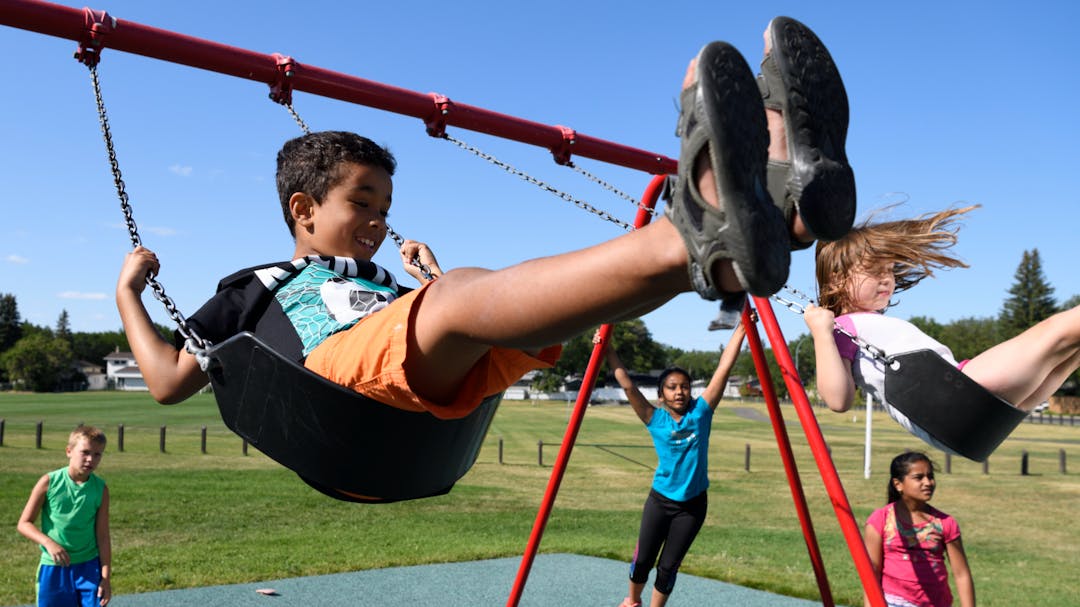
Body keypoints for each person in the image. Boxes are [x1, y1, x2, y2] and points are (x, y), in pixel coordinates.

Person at [116, 18, 852, 424]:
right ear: (302, 210)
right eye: (360, 206)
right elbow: (169, 382)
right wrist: (130, 295)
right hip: (337, 400)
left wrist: (424, 285)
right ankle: (708, 222)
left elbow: (435, 327)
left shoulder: (382, 278)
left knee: (536, 314)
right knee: (469, 297)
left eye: (383, 208)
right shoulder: (257, 285)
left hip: (415, 386)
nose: (376, 223)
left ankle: (739, 233)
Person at [803, 205, 1080, 451]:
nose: (886, 278)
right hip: (956, 398)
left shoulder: (865, 325)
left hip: (971, 422)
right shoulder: (839, 328)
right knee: (1059, 331)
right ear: (838, 278)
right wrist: (821, 333)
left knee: (1069, 350)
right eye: (874, 270)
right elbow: (838, 400)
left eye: (889, 270)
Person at [599, 320, 748, 607]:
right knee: (643, 559)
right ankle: (632, 601)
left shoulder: (701, 413)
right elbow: (627, 384)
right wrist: (608, 349)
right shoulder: (655, 419)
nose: (679, 392)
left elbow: (722, 370)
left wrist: (741, 330)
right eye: (672, 388)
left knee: (668, 566)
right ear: (661, 395)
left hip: (692, 506)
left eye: (684, 387)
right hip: (660, 500)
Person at [863, 451, 974, 607]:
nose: (928, 482)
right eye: (918, 477)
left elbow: (961, 574)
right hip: (893, 602)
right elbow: (871, 571)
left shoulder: (945, 523)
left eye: (930, 476)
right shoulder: (880, 520)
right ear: (898, 484)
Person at [17, 425, 112, 607]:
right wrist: (49, 543)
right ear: (69, 451)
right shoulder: (49, 482)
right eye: (85, 452)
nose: (90, 459)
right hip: (54, 567)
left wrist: (106, 577)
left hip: (89, 567)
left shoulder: (100, 489)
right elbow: (24, 523)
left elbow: (103, 536)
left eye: (97, 454)